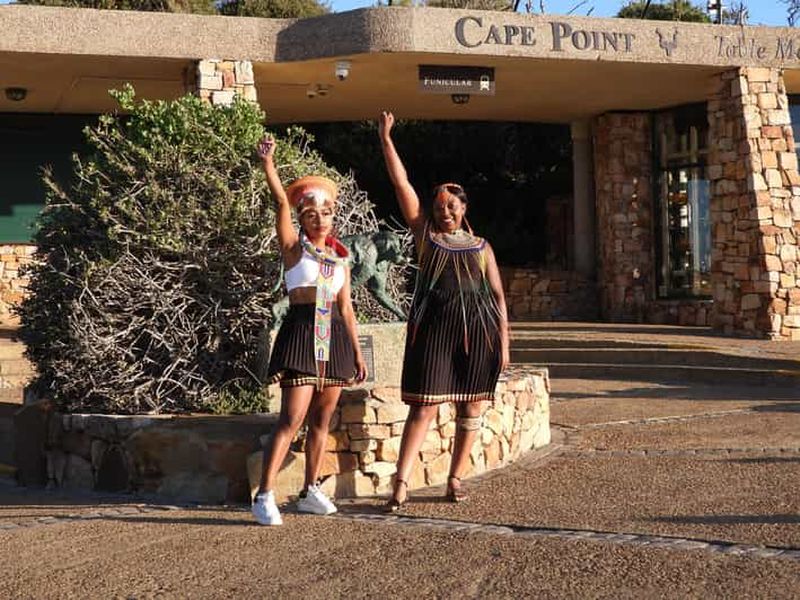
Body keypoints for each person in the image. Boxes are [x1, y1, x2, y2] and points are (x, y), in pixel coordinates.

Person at [377, 112, 509, 511]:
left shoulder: (482, 247)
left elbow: (498, 297)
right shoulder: (426, 237)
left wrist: (504, 345)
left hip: (478, 336)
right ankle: (401, 482)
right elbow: (401, 184)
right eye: (439, 207)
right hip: (434, 334)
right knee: (424, 407)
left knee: (472, 407)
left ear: (464, 207)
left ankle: (455, 478)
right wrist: (386, 138)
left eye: (451, 206)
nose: (444, 212)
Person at [252, 135, 367, 526]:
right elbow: (280, 202)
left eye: (326, 213)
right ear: (302, 219)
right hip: (302, 332)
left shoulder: (340, 260)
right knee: (291, 419)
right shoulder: (293, 249)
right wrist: (269, 164)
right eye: (312, 213)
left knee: (322, 420)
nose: (320, 219)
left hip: (334, 338)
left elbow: (346, 308)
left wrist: (357, 352)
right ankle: (264, 495)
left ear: (334, 217)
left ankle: (310, 490)